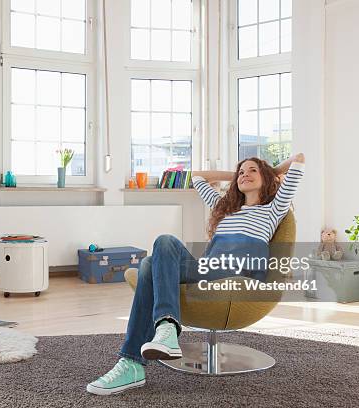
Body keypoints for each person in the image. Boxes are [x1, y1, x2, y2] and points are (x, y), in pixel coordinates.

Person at [86, 153, 305, 396]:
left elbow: (299, 159)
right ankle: (156, 339)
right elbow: (198, 177)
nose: (245, 175)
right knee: (155, 255)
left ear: (266, 176)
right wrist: (235, 175)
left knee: (150, 264)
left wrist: (269, 169)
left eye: (253, 171)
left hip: (238, 272)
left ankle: (137, 357)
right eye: (241, 172)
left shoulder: (274, 208)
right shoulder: (225, 208)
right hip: (207, 269)